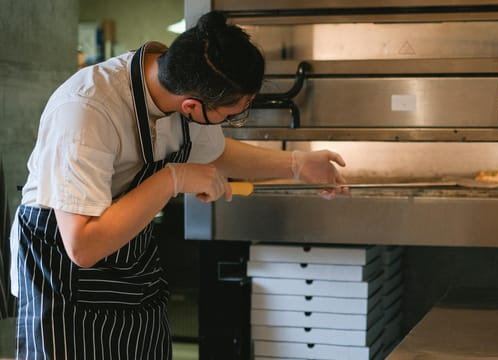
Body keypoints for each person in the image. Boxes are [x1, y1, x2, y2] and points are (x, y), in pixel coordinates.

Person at [9, 11, 347, 359]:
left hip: (130, 262)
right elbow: (82, 246)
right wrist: (174, 178)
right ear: (192, 105)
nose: (230, 122)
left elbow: (215, 151)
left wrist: (295, 164)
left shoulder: (184, 87)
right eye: (230, 114)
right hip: (63, 273)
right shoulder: (86, 110)